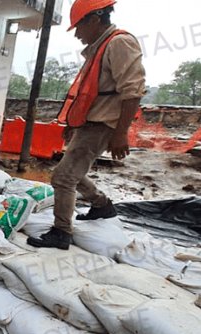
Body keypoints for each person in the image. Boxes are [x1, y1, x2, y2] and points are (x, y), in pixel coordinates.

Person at [27, 0, 145, 250]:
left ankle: (61, 233)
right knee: (71, 172)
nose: (78, 34)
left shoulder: (119, 43)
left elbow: (132, 91)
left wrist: (121, 132)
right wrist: (73, 123)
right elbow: (88, 92)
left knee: (63, 178)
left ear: (94, 19)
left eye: (79, 27)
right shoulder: (99, 47)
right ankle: (102, 205)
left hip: (102, 125)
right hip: (89, 124)